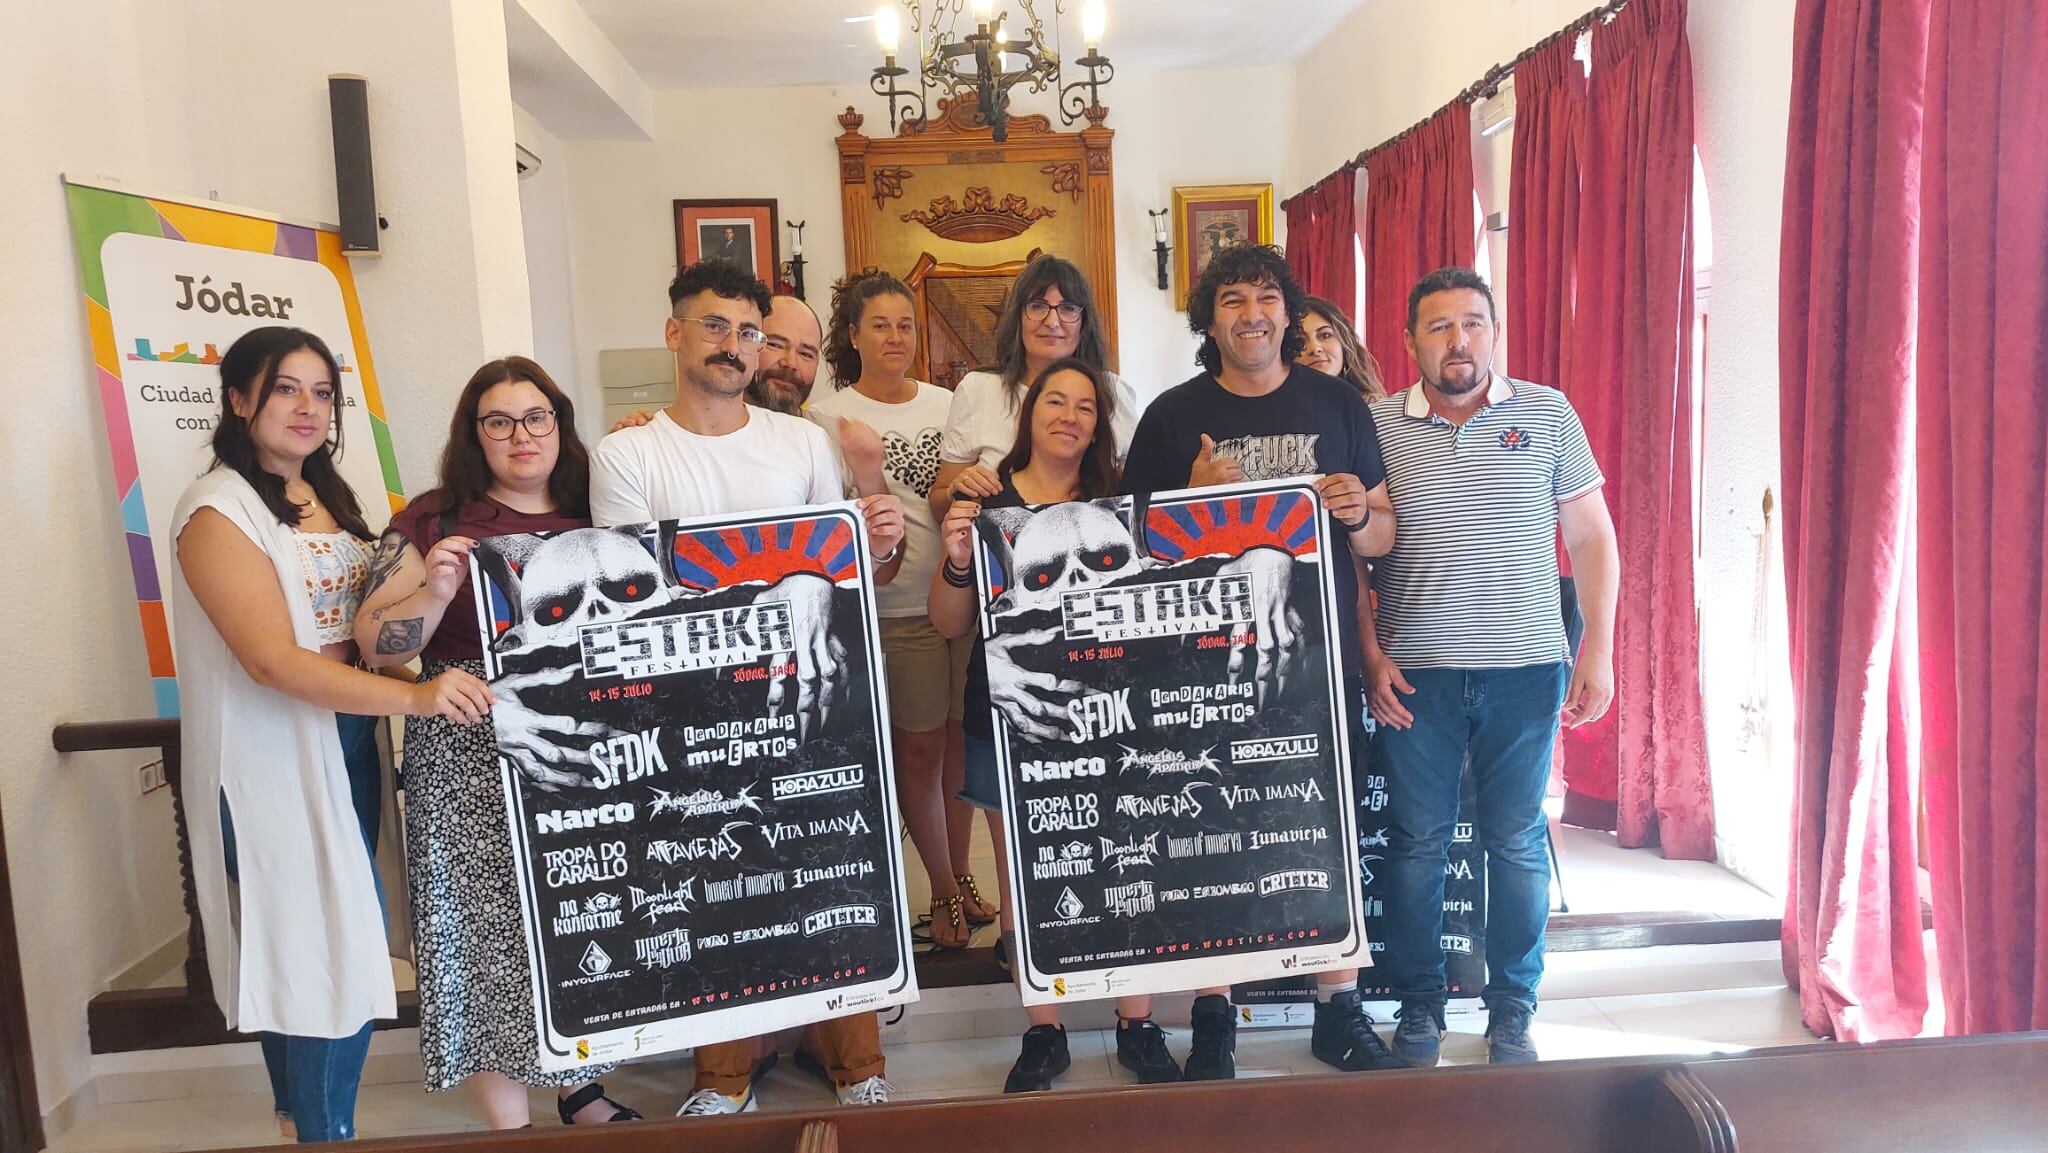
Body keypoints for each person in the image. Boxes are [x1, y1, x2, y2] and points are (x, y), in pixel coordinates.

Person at [587, 259, 907, 1116]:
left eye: (748, 331)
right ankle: (722, 1073)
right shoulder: (626, 453)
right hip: (694, 709)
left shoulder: (804, 443)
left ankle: (857, 1060)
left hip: (808, 696)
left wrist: (874, 540)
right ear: (675, 333)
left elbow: (840, 581)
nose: (734, 346)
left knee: (828, 868)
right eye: (715, 326)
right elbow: (638, 598)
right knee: (718, 881)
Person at [170, 326, 495, 1143]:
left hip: (344, 744)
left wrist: (431, 598)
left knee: (314, 945)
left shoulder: (331, 498)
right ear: (239, 398)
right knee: (323, 954)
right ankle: (326, 1132)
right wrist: (418, 701)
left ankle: (299, 1124)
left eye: (322, 392)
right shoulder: (215, 510)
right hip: (268, 761)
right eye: (286, 388)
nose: (307, 407)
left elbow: (367, 635)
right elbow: (273, 662)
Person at [1119, 244, 1401, 1080]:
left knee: (1326, 825)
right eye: (1233, 298)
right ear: (1209, 319)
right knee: (1210, 829)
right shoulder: (1172, 416)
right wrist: (1189, 503)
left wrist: (1357, 512)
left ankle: (1337, 1009)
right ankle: (1214, 1014)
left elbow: (1384, 532)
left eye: (1268, 297)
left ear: (1288, 310)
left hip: (1317, 657)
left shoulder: (1339, 402)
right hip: (1205, 665)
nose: (1253, 313)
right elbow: (1136, 553)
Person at [351, 357, 639, 1128]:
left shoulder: (600, 506)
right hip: (467, 745)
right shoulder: (432, 520)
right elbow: (375, 645)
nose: (522, 435)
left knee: (586, 910)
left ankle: (581, 1089)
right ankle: (510, 1125)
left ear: (561, 423)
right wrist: (435, 589)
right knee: (481, 925)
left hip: (586, 743)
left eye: (537, 416)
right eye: (499, 420)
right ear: (473, 434)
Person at [1364, 267, 1618, 1066]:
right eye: (1438, 327)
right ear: (1410, 343)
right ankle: (1419, 1006)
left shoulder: (1548, 414)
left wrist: (1599, 647)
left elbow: (1591, 537)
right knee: (1416, 843)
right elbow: (1350, 554)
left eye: (1473, 323)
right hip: (1418, 675)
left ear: (1495, 333)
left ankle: (1513, 1006)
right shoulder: (1374, 425)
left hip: (1527, 669)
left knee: (1513, 841)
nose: (1458, 340)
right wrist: (1370, 657)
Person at [927, 358, 1183, 1091]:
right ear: (1029, 414)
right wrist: (952, 562)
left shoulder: (1126, 502)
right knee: (1025, 879)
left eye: (1086, 405)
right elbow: (948, 623)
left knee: (1129, 860)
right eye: (1055, 401)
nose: (1070, 414)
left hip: (1114, 716)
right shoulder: (988, 505)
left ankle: (1137, 1022)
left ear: (1100, 424)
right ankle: (1045, 1032)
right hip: (1009, 715)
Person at [808, 270, 990, 949]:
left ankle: (963, 877)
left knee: (959, 751)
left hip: (960, 594)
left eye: (905, 324)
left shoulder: (951, 403)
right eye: (878, 324)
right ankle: (941, 887)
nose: (894, 337)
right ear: (851, 334)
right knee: (917, 752)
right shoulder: (826, 417)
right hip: (891, 608)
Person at [928, 254, 1139, 524]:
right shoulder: (978, 389)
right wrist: (958, 492)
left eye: (1068, 308)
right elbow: (939, 507)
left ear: (1084, 322)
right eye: (1038, 306)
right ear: (1018, 315)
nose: (1052, 321)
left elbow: (1136, 497)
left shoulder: (1115, 392)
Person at [1297, 295, 1386, 400]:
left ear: (1344, 343)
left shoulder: (1373, 408)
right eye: (1300, 341)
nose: (1315, 348)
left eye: (1325, 335)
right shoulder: (1278, 412)